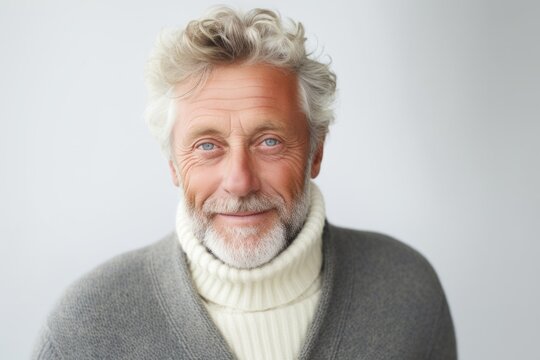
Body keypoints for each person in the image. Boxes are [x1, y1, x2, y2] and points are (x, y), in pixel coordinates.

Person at [33, 7, 456, 360]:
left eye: (269, 141)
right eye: (207, 146)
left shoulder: (407, 290)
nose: (239, 182)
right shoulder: (85, 328)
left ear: (316, 153)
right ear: (173, 166)